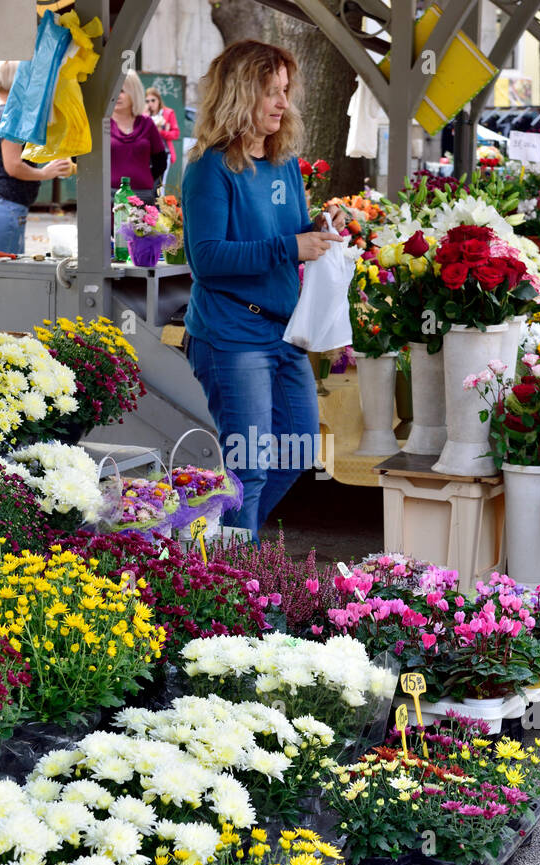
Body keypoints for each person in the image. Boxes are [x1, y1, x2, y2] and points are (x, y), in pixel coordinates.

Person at [181, 39, 345, 540]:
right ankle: (242, 585)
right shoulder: (210, 168)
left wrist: (319, 228)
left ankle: (222, 538)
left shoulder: (283, 164)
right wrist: (289, 247)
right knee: (248, 468)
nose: (282, 103)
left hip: (283, 332)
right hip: (232, 334)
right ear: (239, 93)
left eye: (285, 91)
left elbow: (291, 231)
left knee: (299, 452)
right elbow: (205, 259)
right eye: (271, 91)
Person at [0, 60, 73, 254]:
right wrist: (45, 173)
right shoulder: (10, 114)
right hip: (6, 204)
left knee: (1, 269)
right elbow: (13, 166)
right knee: (5, 273)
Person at [111, 71, 166, 204]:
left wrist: (144, 178)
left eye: (122, 90)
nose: (117, 95)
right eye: (113, 90)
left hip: (142, 197)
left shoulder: (147, 123)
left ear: (133, 92)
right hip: (108, 197)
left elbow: (161, 162)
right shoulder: (101, 124)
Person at [146, 88, 180, 167]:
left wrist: (161, 132)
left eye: (153, 100)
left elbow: (176, 134)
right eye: (147, 101)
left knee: (160, 179)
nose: (150, 103)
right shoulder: (145, 114)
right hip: (146, 154)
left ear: (159, 100)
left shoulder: (168, 113)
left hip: (163, 152)